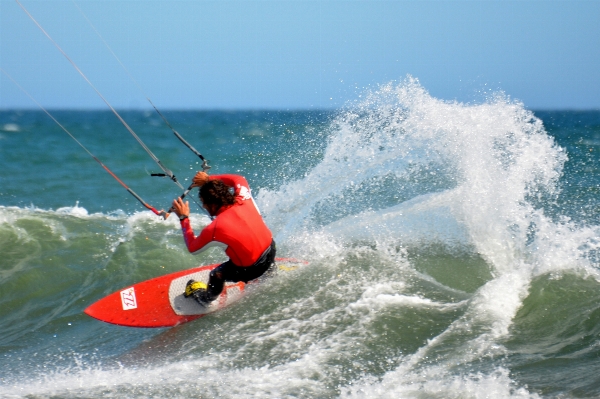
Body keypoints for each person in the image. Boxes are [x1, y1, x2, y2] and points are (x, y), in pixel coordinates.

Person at [171, 171, 276, 306]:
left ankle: (205, 299)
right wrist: (209, 179)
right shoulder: (244, 198)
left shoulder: (215, 228)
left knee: (216, 275)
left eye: (204, 203)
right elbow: (238, 179)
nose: (203, 206)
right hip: (271, 251)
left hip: (253, 270)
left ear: (213, 205)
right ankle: (271, 270)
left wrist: (184, 218)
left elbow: (193, 248)